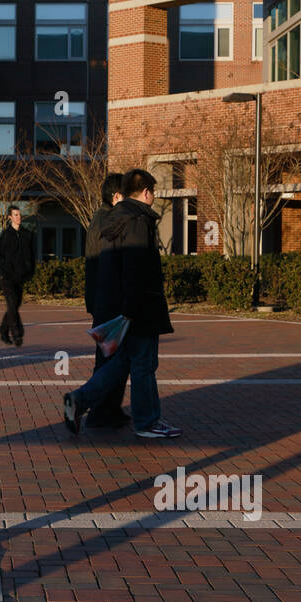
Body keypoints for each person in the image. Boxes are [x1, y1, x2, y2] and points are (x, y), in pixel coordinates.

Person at [63, 169, 182, 439]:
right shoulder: (138, 220)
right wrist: (132, 309)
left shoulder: (112, 219)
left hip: (116, 307)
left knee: (121, 363)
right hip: (138, 308)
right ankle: (148, 422)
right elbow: (135, 268)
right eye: (153, 193)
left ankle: (79, 400)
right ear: (146, 192)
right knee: (144, 365)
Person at [83, 173, 130, 427]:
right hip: (108, 300)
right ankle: (99, 409)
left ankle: (110, 407)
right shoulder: (107, 223)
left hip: (102, 298)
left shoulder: (99, 219)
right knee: (110, 358)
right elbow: (108, 265)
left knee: (112, 356)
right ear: (116, 196)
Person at [0, 204, 35, 346]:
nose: (19, 217)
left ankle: (3, 330)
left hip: (20, 278)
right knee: (12, 305)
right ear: (10, 217)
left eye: (19, 214)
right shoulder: (6, 235)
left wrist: (30, 272)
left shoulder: (26, 234)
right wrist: (3, 272)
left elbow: (31, 255)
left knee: (14, 306)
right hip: (7, 278)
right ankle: (17, 334)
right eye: (15, 215)